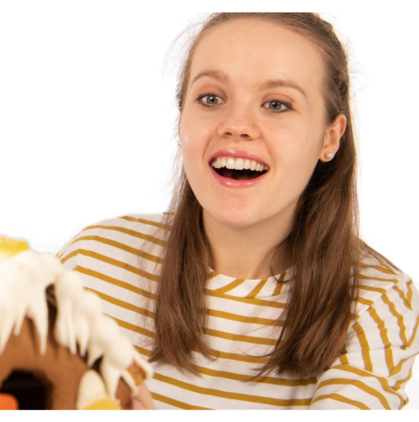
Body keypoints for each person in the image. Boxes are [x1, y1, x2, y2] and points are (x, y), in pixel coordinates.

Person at [59, 12, 418, 410]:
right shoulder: (92, 264)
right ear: (182, 119)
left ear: (329, 137)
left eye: (277, 104)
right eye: (211, 98)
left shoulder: (375, 304)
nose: (237, 125)